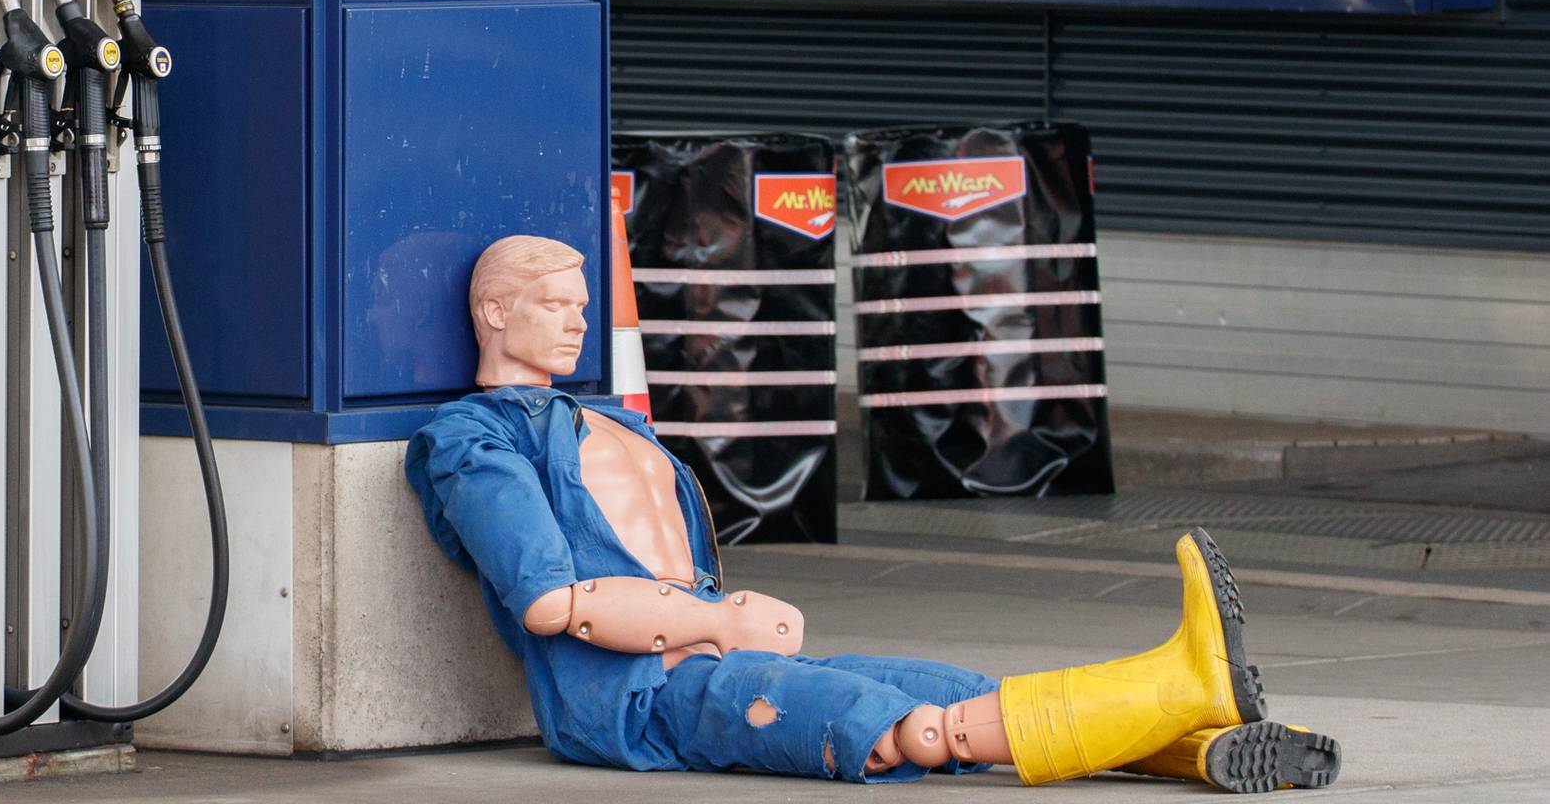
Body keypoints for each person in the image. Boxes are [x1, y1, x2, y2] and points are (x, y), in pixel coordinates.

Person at [403, 233, 1341, 791]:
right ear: (491, 312)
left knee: (954, 694)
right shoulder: (473, 440)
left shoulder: (601, 417)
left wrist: (726, 628)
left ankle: (1201, 739)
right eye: (553, 305)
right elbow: (548, 600)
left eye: (581, 303)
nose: (576, 321)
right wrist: (716, 619)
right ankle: (1178, 687)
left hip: (729, 658)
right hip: (642, 701)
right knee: (906, 733)